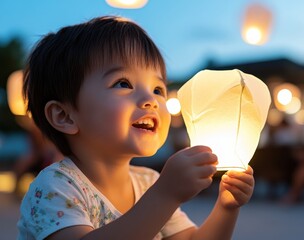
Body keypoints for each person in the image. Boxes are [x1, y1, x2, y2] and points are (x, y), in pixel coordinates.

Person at [17, 16, 254, 240]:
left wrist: (227, 207)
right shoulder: (54, 187)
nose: (150, 100)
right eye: (123, 83)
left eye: (158, 89)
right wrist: (165, 195)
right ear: (64, 116)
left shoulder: (148, 182)